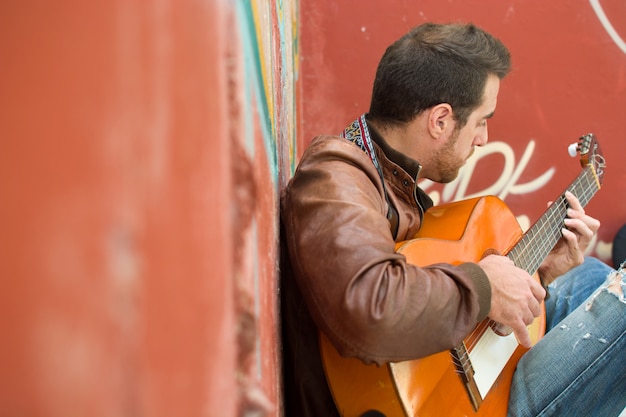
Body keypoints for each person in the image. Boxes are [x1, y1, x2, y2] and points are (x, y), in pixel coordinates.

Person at [280, 22, 626, 417]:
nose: (483, 138)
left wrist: (538, 274)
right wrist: (486, 287)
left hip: (457, 380)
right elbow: (370, 304)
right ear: (440, 120)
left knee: (590, 278)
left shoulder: (396, 187)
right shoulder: (336, 176)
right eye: (481, 120)